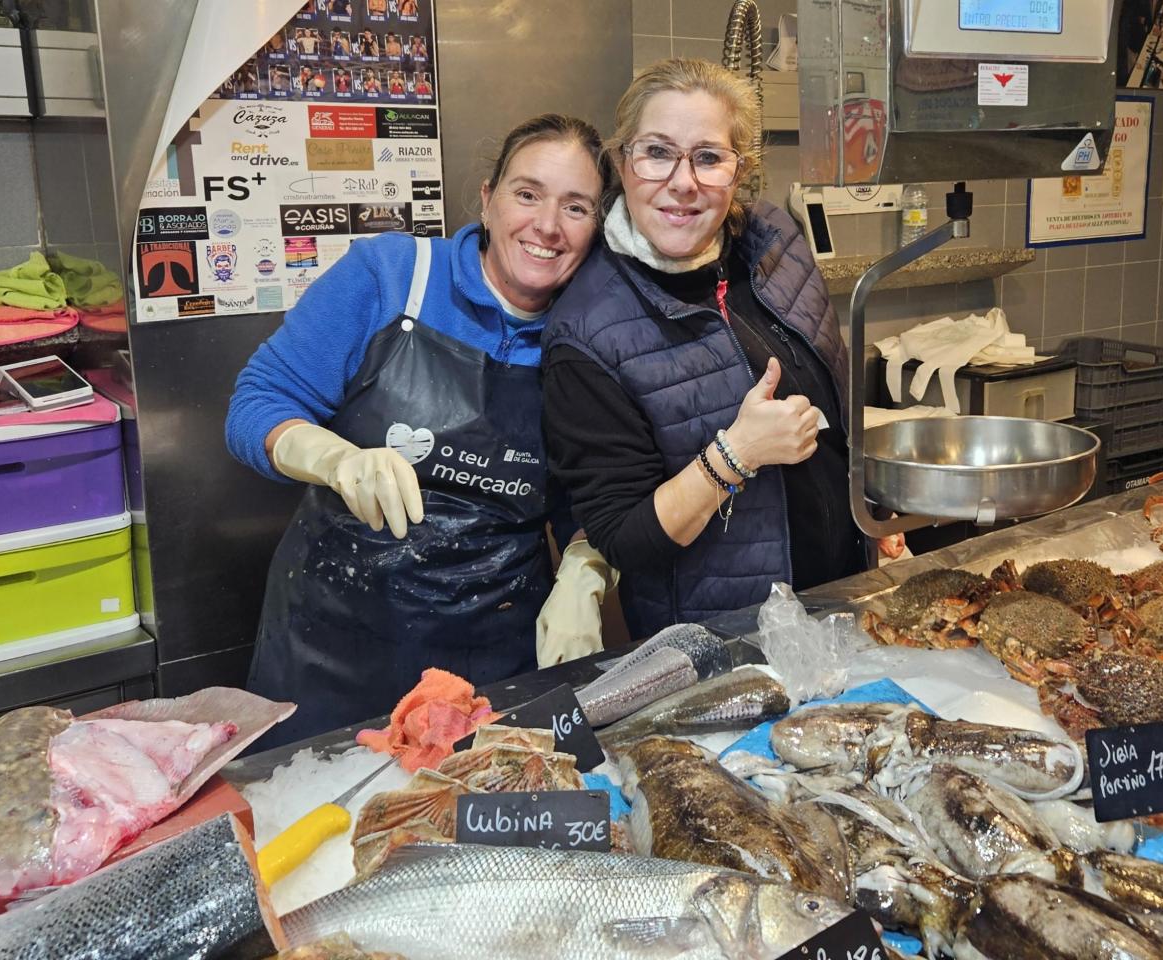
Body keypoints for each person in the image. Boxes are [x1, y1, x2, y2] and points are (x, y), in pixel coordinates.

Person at [227, 114, 616, 747]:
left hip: (495, 655)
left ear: (596, 228)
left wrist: (586, 568)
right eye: (527, 193)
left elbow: (594, 494)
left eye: (576, 207)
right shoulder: (392, 275)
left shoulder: (593, 334)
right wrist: (332, 458)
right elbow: (257, 403)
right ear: (487, 200)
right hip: (332, 647)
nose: (547, 225)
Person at [542, 58, 867, 640]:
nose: (684, 182)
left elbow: (835, 400)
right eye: (658, 152)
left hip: (844, 600)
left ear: (739, 171)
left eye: (709, 157)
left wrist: (873, 511)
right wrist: (737, 452)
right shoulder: (586, 330)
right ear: (623, 162)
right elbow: (625, 539)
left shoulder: (776, 243)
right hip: (728, 643)